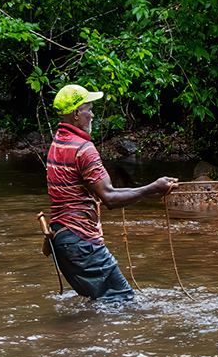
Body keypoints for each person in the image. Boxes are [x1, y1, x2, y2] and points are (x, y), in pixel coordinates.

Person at [46, 84, 177, 301]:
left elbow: (107, 191)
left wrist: (151, 188)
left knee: (99, 306)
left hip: (62, 242)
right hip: (82, 242)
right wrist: (153, 188)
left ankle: (71, 336)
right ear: (77, 113)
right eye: (89, 109)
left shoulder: (57, 143)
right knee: (124, 302)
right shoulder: (83, 149)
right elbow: (110, 198)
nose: (92, 114)